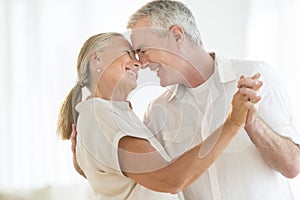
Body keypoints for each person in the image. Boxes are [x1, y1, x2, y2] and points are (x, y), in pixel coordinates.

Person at [124, 0, 300, 199]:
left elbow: (292, 166)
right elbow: (147, 179)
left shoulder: (255, 76)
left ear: (176, 35)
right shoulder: (157, 111)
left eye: (144, 50)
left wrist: (254, 125)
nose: (142, 63)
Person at [57, 32, 261, 200]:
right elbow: (170, 179)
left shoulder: (110, 116)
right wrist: (233, 123)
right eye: (128, 53)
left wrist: (87, 168)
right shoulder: (100, 116)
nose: (137, 63)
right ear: (96, 58)